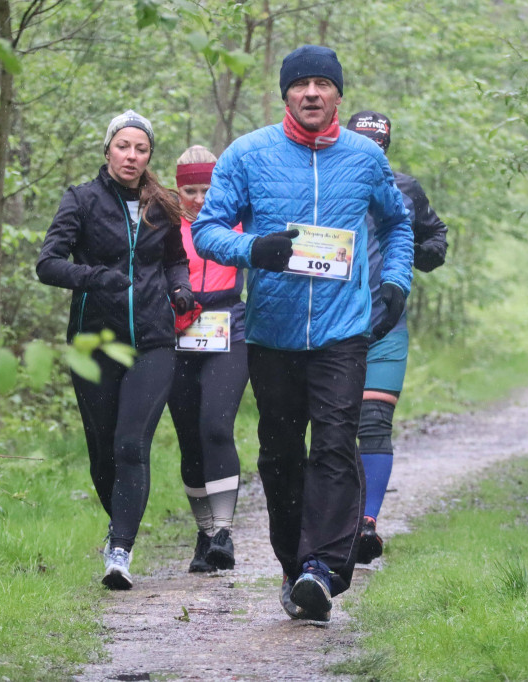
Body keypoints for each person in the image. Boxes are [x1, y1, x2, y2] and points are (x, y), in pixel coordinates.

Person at [191, 45, 414, 621]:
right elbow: (209, 230)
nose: (312, 93)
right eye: (301, 85)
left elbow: (398, 222)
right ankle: (294, 567)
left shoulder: (365, 158)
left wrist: (394, 283)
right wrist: (253, 249)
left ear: (339, 94)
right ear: (284, 93)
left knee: (337, 445)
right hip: (272, 335)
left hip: (343, 332)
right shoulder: (248, 154)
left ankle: (323, 568)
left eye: (323, 84)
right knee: (281, 455)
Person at [36, 110, 194, 590]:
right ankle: (118, 527)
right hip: (94, 342)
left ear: (149, 156)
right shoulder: (81, 201)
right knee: (104, 454)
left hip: (153, 341)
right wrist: (95, 278)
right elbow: (48, 264)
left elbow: (176, 262)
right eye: (123, 146)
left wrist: (181, 289)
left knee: (131, 445)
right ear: (107, 150)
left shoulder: (160, 205)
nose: (131, 155)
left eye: (141, 149)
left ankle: (120, 551)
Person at [345, 110, 449, 564]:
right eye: (364, 141)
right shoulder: (325, 186)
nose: (372, 150)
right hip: (332, 325)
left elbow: (435, 235)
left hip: (387, 323)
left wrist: (421, 256)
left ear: (386, 146)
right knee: (334, 429)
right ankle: (334, 521)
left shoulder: (404, 189)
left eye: (379, 144)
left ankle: (366, 524)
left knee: (373, 424)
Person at [167, 145, 249, 573]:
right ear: (178, 191)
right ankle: (203, 537)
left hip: (229, 326)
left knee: (215, 425)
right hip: (177, 333)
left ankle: (224, 533)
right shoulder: (162, 226)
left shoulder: (234, 221)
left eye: (207, 188)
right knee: (189, 436)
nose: (199, 199)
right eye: (191, 191)